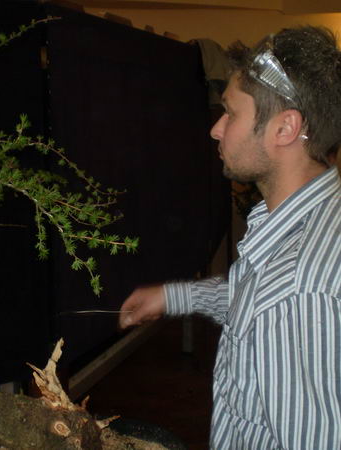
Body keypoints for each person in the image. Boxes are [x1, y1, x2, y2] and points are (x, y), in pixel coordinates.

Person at [119, 26, 341, 449]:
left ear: (285, 128)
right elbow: (255, 303)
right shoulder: (312, 219)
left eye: (231, 113)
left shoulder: (298, 292)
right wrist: (175, 296)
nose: (216, 129)